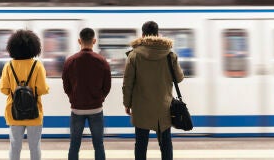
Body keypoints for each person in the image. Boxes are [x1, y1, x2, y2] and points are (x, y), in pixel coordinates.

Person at [122, 21, 184, 160]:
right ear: (158, 34)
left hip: (141, 107)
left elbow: (127, 83)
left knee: (141, 144)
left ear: (143, 35)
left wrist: (127, 104)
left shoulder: (134, 55)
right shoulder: (170, 55)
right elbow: (179, 78)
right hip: (164, 107)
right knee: (166, 143)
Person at [62, 27, 111, 160]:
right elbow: (107, 86)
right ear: (94, 41)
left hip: (77, 110)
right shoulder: (102, 61)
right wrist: (99, 98)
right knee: (99, 145)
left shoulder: (70, 61)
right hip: (96, 109)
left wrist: (73, 97)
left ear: (79, 41)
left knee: (74, 145)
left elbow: (66, 86)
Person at [0, 29, 49, 160]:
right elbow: (42, 89)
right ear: (34, 47)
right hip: (34, 113)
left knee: (15, 146)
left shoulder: (8, 66)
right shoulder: (37, 66)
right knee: (35, 147)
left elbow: (3, 89)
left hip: (14, 112)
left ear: (12, 47)